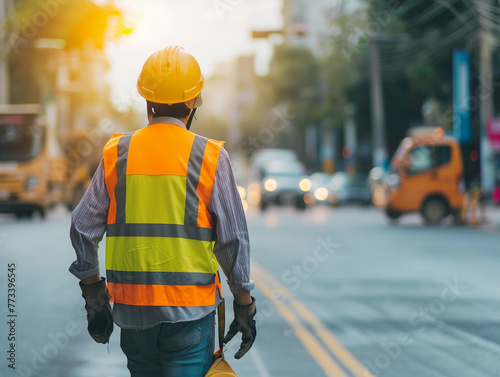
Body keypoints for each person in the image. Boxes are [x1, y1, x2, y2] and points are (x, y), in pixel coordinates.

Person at [69, 45, 256, 377]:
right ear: (193, 103)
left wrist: (94, 293)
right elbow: (233, 241)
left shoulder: (118, 154)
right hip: (189, 314)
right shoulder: (210, 157)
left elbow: (82, 227)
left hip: (133, 316)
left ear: (147, 100)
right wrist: (244, 304)